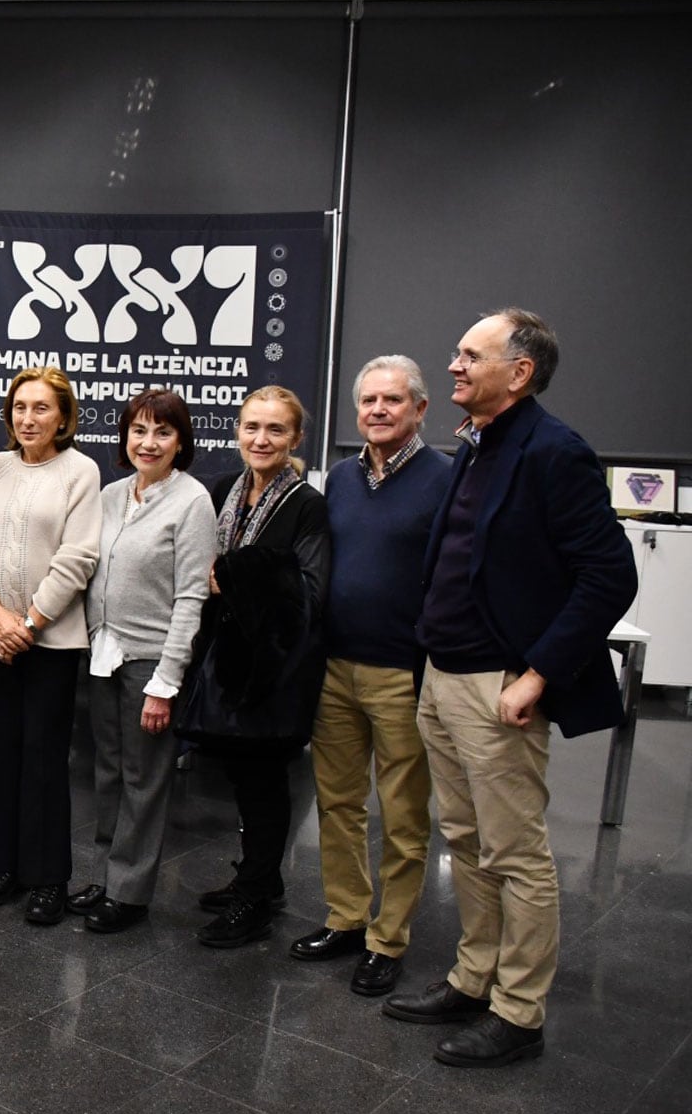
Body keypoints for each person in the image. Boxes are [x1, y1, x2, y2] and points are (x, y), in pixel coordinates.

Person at [386, 309, 635, 1067]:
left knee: (514, 851)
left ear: (519, 371)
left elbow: (610, 575)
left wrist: (539, 674)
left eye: (470, 355)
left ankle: (519, 1011)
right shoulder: (478, 443)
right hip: (443, 673)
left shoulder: (555, 452)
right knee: (463, 842)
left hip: (498, 686)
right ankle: (474, 974)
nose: (454, 366)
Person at [291, 357, 451, 995]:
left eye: (392, 400)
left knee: (405, 817)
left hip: (403, 672)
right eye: (368, 401)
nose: (378, 411)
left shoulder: (446, 477)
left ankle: (389, 939)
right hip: (336, 666)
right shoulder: (343, 477)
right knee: (338, 803)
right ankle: (348, 918)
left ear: (419, 408)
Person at [176, 386, 330, 948]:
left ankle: (256, 901)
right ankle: (257, 877)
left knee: (266, 783)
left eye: (275, 430)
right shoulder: (225, 490)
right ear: (237, 432)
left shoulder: (308, 505)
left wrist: (233, 575)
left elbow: (309, 591)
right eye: (251, 427)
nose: (261, 440)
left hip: (276, 667)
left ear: (295, 439)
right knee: (243, 779)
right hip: (228, 662)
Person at [0, 366, 101, 925]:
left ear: (63, 417)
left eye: (41, 408)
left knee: (43, 760)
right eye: (19, 407)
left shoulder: (80, 471)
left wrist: (28, 625)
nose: (28, 418)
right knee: (1, 759)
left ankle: (47, 879)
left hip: (51, 644)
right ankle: (4, 867)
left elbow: (78, 557)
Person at [68, 388, 216, 932]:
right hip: (102, 655)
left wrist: (165, 682)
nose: (148, 442)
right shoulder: (110, 495)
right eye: (138, 430)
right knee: (107, 773)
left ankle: (129, 893)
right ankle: (108, 875)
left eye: (163, 432)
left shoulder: (193, 501)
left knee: (144, 778)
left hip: (150, 663)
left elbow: (190, 599)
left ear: (181, 442)